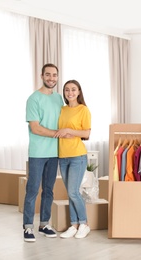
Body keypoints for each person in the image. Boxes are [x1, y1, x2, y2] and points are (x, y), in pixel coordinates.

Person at [23, 63, 64, 242]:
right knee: (32, 189)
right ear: (41, 76)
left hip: (55, 152)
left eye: (54, 75)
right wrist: (57, 134)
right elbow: (35, 128)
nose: (51, 78)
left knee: (49, 190)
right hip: (38, 152)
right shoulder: (33, 99)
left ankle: (44, 224)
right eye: (48, 75)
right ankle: (27, 227)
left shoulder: (59, 98)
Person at [54, 79, 92, 239]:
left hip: (77, 155)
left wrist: (69, 130)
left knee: (73, 191)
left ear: (79, 92)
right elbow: (58, 130)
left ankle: (84, 224)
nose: (70, 92)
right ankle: (74, 225)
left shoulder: (83, 109)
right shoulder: (62, 109)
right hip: (63, 156)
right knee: (70, 193)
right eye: (67, 90)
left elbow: (86, 133)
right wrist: (63, 131)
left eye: (73, 89)